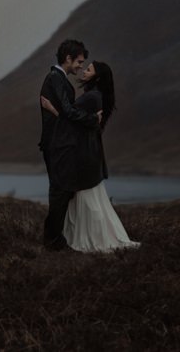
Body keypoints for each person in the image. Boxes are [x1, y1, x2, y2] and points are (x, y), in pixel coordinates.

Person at [41, 61, 140, 253]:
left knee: (89, 202)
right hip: (88, 155)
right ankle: (88, 237)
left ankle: (91, 239)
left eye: (88, 69)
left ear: (97, 77)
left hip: (85, 157)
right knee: (92, 201)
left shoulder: (92, 97)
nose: (84, 71)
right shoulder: (95, 96)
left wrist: (52, 109)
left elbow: (71, 119)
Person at [39, 39, 102, 251]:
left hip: (60, 143)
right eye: (79, 62)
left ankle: (55, 239)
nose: (81, 66)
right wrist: (93, 119)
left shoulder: (59, 78)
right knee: (60, 190)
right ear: (68, 59)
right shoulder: (56, 78)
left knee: (63, 190)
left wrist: (56, 111)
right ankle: (53, 240)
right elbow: (67, 110)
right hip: (57, 144)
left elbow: (62, 111)